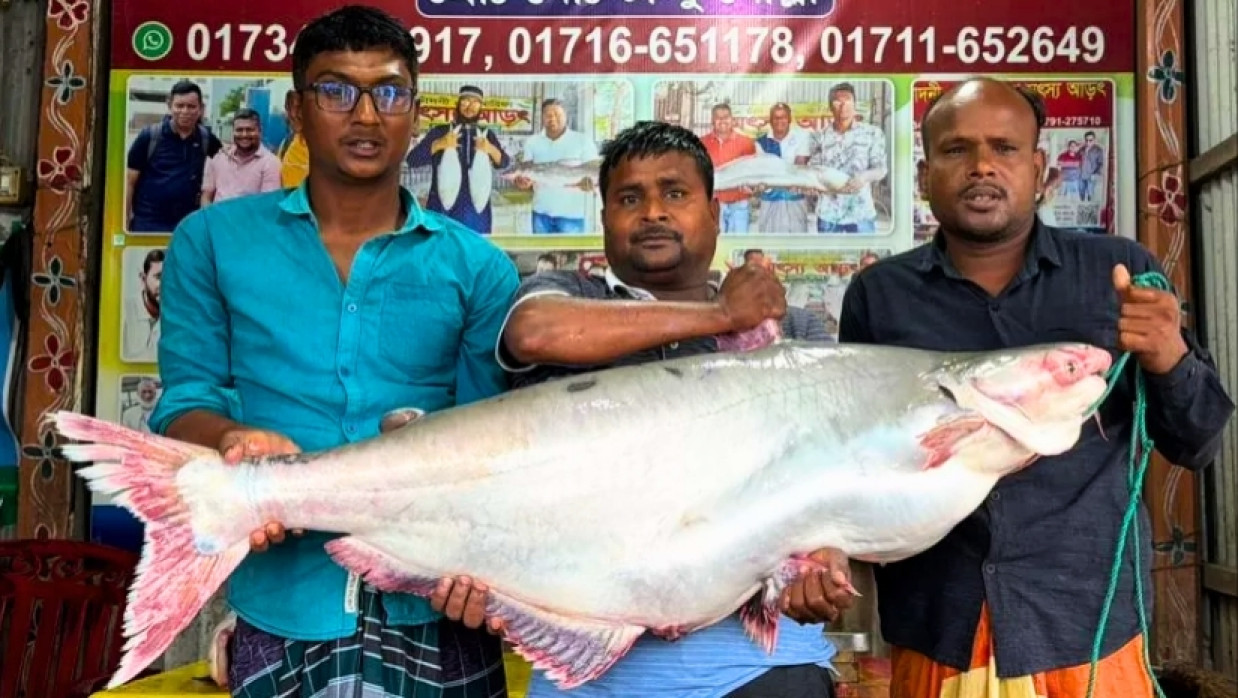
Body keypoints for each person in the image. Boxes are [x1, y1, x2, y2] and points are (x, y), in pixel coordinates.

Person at [149, 6, 519, 697]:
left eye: (388, 92)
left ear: (413, 109)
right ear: (296, 108)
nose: (366, 115)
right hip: (284, 600)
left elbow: (487, 446)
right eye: (336, 90)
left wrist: (485, 563)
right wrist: (231, 438)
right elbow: (185, 401)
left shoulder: (477, 267)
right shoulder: (211, 242)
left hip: (437, 606)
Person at [835, 77, 1235, 697]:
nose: (982, 167)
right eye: (957, 150)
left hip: (1086, 631)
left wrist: (1168, 353)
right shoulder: (879, 296)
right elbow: (853, 455)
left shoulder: (1118, 272)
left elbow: (1198, 442)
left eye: (1005, 148)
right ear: (923, 175)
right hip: (940, 627)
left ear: (1041, 168)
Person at [430, 121, 851, 698]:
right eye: (630, 198)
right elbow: (534, 332)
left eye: (674, 194)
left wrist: (825, 558)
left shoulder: (793, 330)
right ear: (603, 218)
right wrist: (721, 316)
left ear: (715, 214)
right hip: (587, 668)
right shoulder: (567, 296)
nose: (653, 212)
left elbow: (830, 470)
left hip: (763, 668)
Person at [407, 85, 513, 234]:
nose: (470, 106)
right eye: (465, 101)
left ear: (481, 107)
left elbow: (505, 163)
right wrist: (439, 144)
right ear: (458, 103)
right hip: (442, 210)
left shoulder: (487, 134)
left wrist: (490, 149)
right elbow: (413, 160)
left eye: (475, 102)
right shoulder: (440, 131)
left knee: (473, 253)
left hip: (476, 213)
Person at [125, 79, 222, 232]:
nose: (185, 111)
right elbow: (129, 182)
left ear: (200, 109)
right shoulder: (149, 136)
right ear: (170, 106)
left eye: (191, 106)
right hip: (148, 223)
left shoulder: (206, 138)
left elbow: (228, 163)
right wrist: (124, 222)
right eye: (179, 106)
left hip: (189, 224)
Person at [513, 98, 599, 234]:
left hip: (573, 216)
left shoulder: (582, 141)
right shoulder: (532, 142)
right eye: (548, 115)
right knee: (541, 254)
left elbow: (595, 170)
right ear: (542, 117)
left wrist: (590, 185)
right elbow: (527, 175)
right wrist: (523, 183)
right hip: (540, 213)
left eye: (557, 115)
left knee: (572, 255)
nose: (552, 119)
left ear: (566, 116)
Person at [201, 108, 283, 205]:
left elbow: (266, 206)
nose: (244, 135)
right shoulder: (219, 157)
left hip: (250, 219)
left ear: (260, 131)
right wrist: (208, 219)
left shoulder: (270, 163)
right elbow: (206, 196)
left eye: (249, 130)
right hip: (216, 219)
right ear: (233, 131)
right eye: (239, 130)